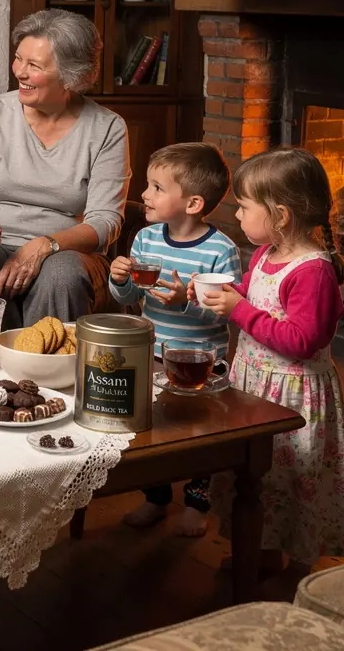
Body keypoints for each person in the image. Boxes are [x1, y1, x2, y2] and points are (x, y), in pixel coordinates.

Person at [194, 147, 344, 576]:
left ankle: (295, 562)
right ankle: (258, 548)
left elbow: (302, 340)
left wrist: (238, 311)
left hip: (293, 395)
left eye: (245, 207)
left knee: (292, 477)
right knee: (258, 476)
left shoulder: (313, 272)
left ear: (280, 215)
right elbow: (251, 295)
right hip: (255, 386)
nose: (239, 216)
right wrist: (212, 292)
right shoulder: (268, 253)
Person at [0, 10, 129, 328]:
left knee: (62, 273)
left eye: (35, 66)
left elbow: (105, 222)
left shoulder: (107, 128)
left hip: (65, 251)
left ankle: (45, 376)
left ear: (71, 75)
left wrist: (46, 244)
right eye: (18, 59)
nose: (20, 73)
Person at [109, 143, 242, 537]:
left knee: (198, 432)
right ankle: (156, 497)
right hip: (153, 355)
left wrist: (187, 304)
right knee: (153, 427)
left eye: (156, 187)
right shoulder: (146, 239)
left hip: (203, 363)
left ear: (193, 203)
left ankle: (198, 503)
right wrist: (119, 281)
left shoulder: (221, 251)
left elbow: (226, 311)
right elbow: (133, 298)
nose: (145, 195)